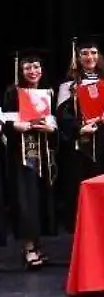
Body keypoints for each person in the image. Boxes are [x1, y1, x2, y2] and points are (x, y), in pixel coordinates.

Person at [55, 34, 104, 227]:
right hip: (79, 146)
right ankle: (81, 227)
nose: (89, 57)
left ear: (99, 56)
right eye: (84, 53)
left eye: (93, 52)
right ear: (77, 57)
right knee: (77, 186)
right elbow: (62, 116)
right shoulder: (68, 86)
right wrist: (80, 129)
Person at [3, 49, 58, 269]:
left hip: (44, 155)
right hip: (22, 155)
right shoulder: (12, 93)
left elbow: (55, 123)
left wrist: (51, 129)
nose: (32, 71)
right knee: (26, 201)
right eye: (27, 67)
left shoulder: (49, 92)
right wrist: (15, 126)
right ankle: (28, 249)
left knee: (40, 200)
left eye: (36, 67)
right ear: (21, 71)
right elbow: (4, 122)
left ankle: (37, 245)